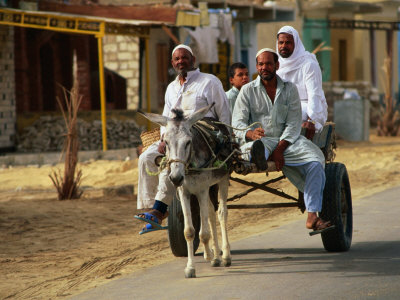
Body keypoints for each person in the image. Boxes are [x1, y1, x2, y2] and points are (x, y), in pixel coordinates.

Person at [232, 48, 333, 234]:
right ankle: (257, 154)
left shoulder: (289, 88)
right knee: (252, 149)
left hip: (287, 142)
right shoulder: (247, 91)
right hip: (260, 140)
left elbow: (294, 123)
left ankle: (312, 216)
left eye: (269, 63)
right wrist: (250, 133)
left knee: (316, 161)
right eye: (261, 64)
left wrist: (280, 148)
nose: (265, 67)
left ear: (277, 65)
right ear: (257, 67)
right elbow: (237, 122)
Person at [136, 44, 231, 233]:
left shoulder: (209, 81)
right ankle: (152, 208)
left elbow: (224, 111)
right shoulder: (171, 87)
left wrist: (227, 138)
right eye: (177, 59)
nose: (181, 61)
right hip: (173, 134)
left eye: (184, 57)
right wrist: (163, 140)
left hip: (203, 132)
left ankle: (159, 209)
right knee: (145, 158)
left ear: (193, 60)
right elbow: (165, 117)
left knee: (173, 162)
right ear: (172, 63)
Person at [276, 26, 328, 140]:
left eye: (288, 42)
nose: (283, 46)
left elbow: (314, 95)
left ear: (296, 44)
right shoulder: (276, 64)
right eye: (281, 42)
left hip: (306, 107)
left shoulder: (308, 64)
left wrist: (312, 120)